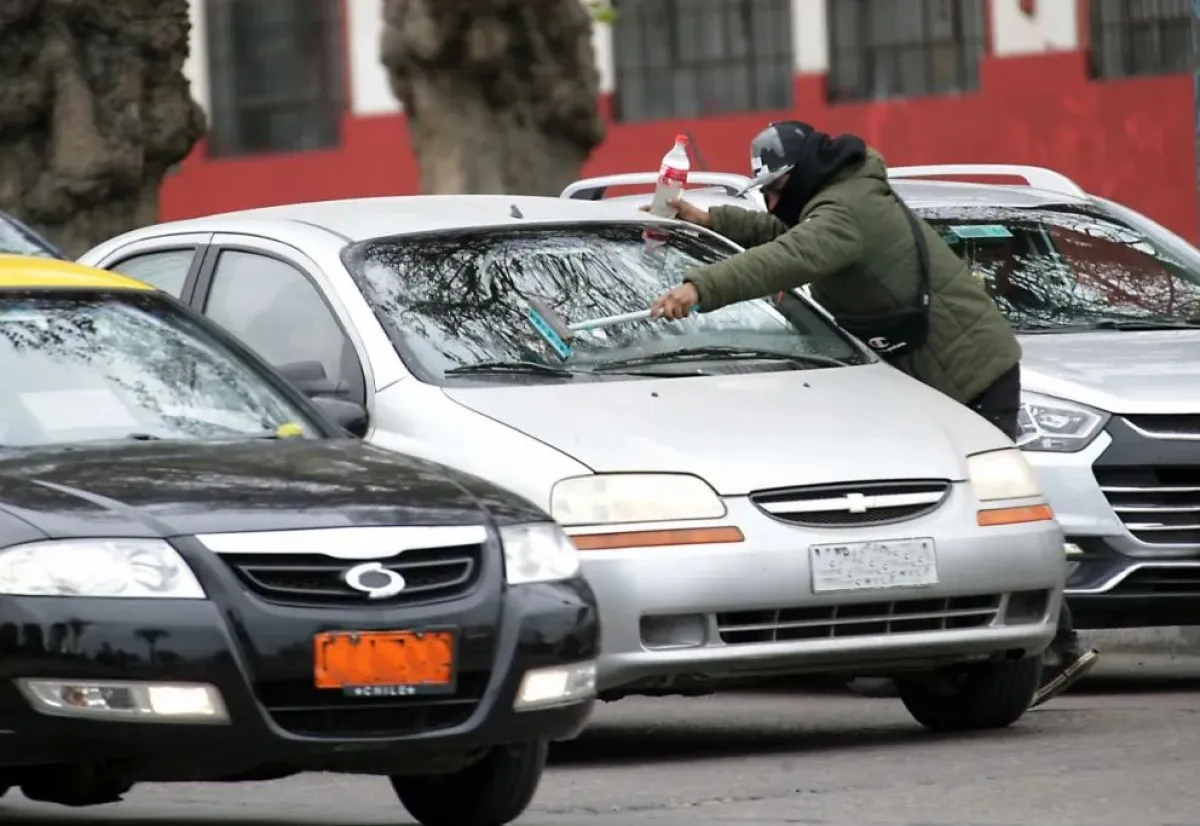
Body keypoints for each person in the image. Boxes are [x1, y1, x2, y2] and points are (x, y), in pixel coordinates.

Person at [647, 120, 1096, 709]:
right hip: (928, 378)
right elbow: (780, 230)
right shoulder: (840, 195)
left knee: (988, 511)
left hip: (969, 371)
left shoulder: (846, 210)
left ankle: (1050, 646)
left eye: (778, 188)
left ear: (804, 172)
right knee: (931, 515)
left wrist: (700, 287)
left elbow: (792, 253)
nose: (772, 200)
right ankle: (940, 646)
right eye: (768, 192)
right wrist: (710, 221)